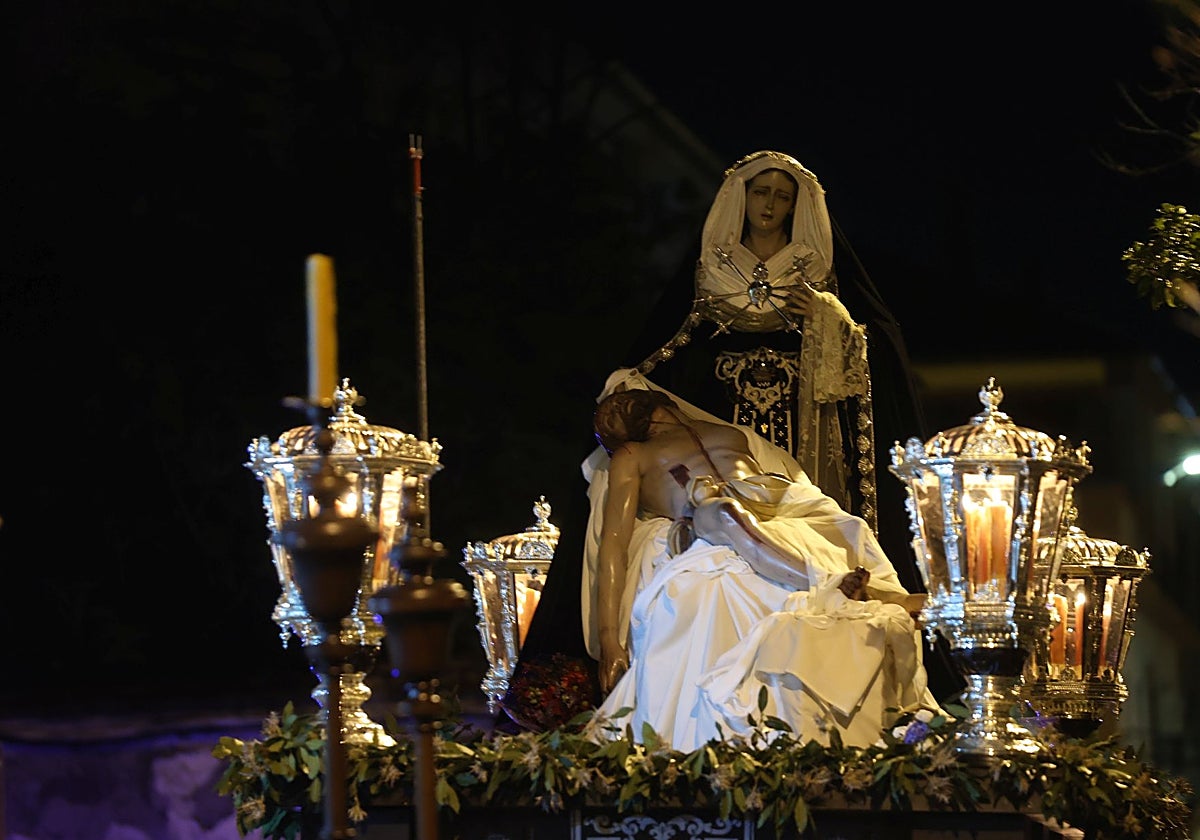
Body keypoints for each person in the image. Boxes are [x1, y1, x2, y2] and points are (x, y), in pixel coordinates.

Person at [584, 372, 937, 751]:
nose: (611, 411)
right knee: (724, 512)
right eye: (605, 420)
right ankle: (830, 583)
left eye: (615, 407)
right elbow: (613, 544)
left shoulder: (731, 434)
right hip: (702, 517)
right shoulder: (632, 456)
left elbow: (773, 477)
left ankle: (885, 595)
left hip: (773, 512)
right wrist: (610, 639)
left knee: (845, 527)